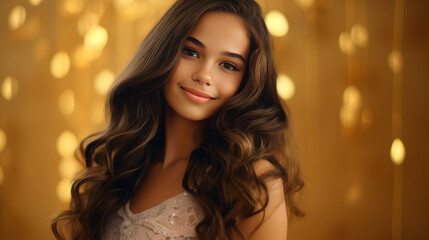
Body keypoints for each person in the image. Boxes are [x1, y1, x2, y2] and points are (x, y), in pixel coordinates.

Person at [51, 0, 304, 239]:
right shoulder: (123, 161)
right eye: (191, 52)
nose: (204, 75)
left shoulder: (253, 182)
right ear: (163, 52)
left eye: (228, 65)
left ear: (247, 81)